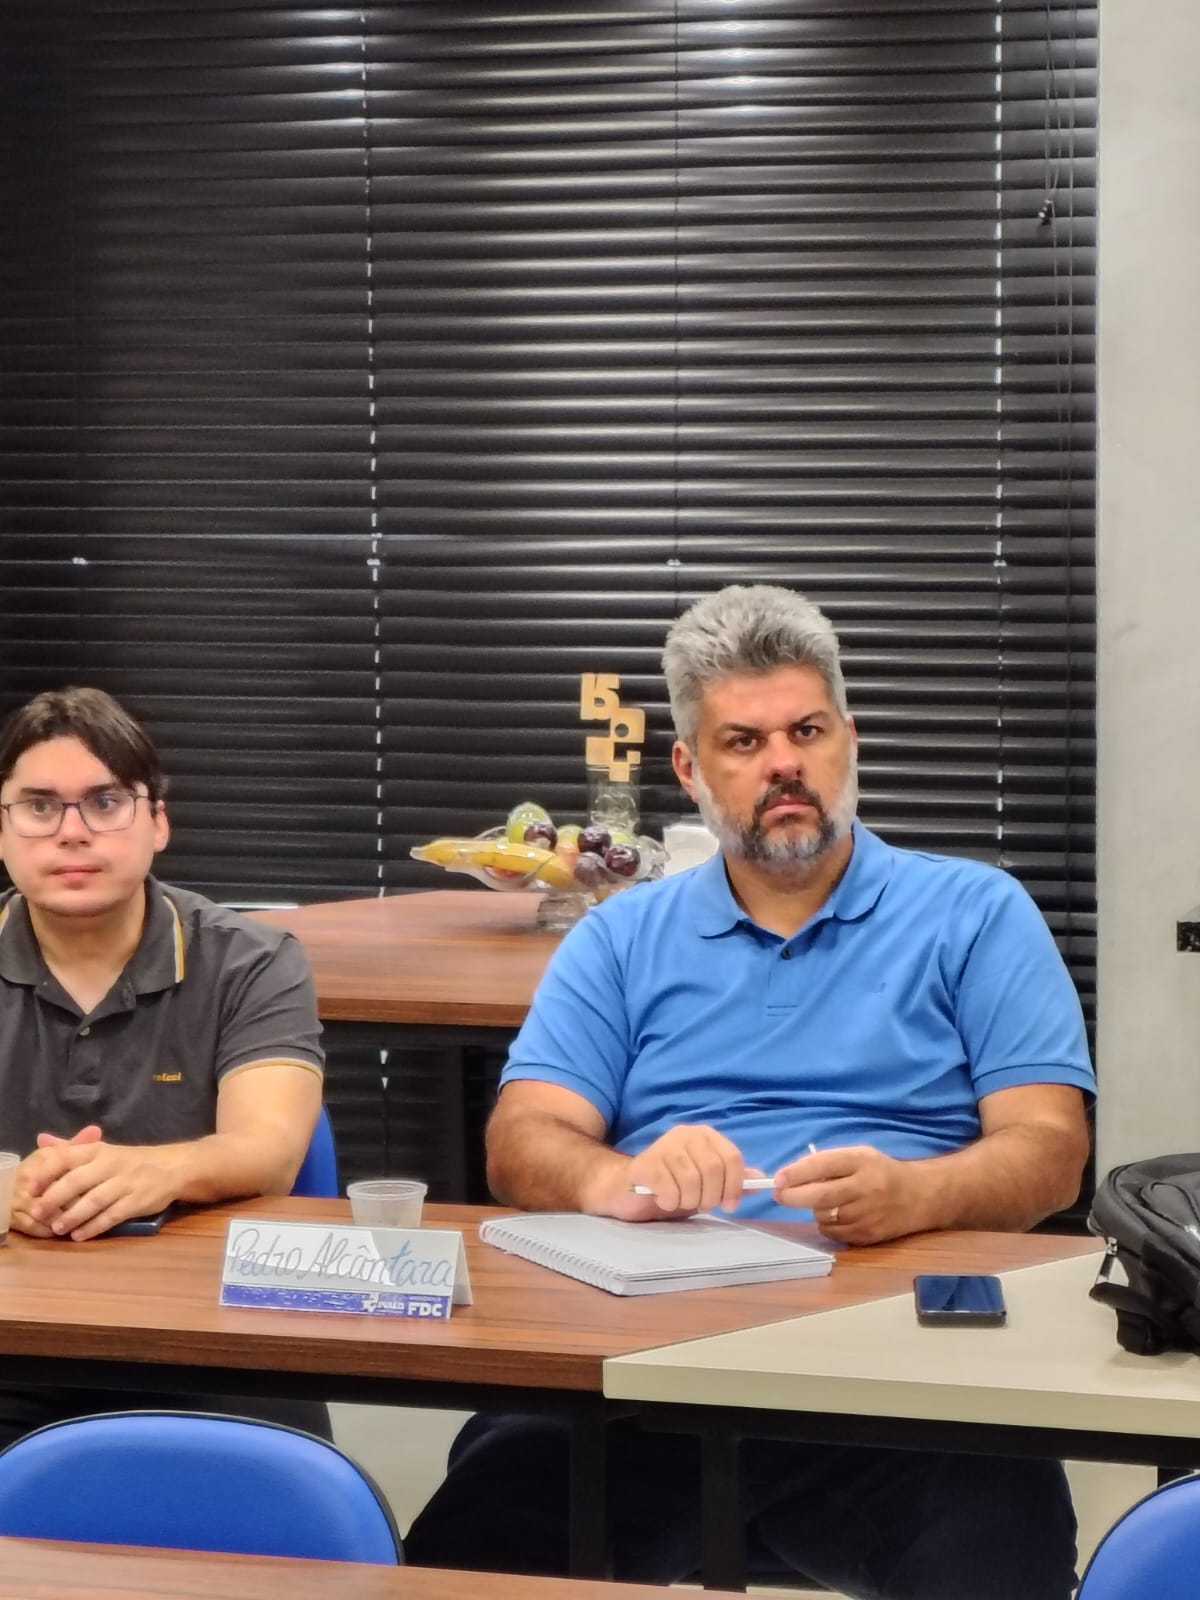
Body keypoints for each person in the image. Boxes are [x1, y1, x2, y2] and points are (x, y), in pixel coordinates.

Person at [405, 585, 1095, 1599]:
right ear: (690, 769)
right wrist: (619, 1177)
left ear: (849, 742)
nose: (784, 764)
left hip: (901, 1360)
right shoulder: (620, 935)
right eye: (743, 741)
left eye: (807, 731)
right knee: (469, 1555)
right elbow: (524, 1136)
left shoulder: (976, 913)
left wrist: (920, 1193)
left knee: (1000, 1562)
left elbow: (1051, 1147)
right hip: (647, 1359)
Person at [0, 685, 328, 1445]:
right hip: (13, 1342)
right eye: (39, 806)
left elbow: (271, 1150)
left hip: (213, 1337)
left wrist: (156, 1172)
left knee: (272, 1496)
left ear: (158, 822)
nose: (72, 832)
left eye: (105, 802)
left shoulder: (253, 960)